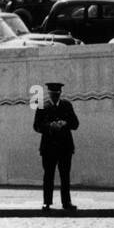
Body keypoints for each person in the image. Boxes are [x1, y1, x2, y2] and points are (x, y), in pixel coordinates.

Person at [33, 82, 79, 211]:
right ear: (49, 94)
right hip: (49, 147)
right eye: (52, 94)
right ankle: (47, 202)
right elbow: (36, 126)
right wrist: (50, 126)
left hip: (65, 147)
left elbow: (75, 124)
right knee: (48, 175)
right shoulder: (42, 107)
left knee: (65, 176)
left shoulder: (66, 105)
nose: (54, 97)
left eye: (57, 94)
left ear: (60, 94)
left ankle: (66, 202)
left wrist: (65, 123)